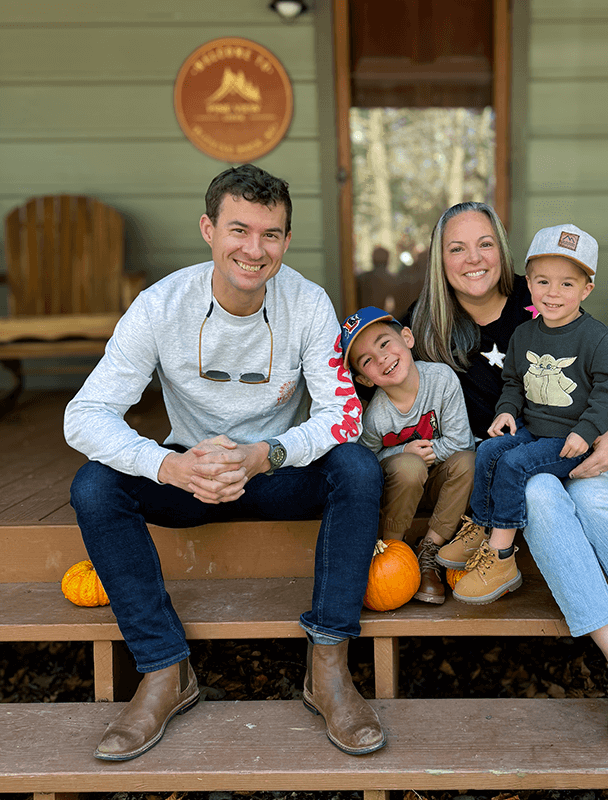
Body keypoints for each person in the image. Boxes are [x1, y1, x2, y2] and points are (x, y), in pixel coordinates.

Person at [64, 164, 385, 760]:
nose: (254, 249)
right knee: (94, 486)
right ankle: (164, 671)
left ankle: (329, 667)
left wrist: (269, 454)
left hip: (275, 472)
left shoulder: (309, 303)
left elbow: (344, 416)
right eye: (239, 230)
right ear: (209, 229)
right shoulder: (159, 306)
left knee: (358, 469)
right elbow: (84, 416)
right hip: (190, 476)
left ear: (287, 241)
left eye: (270, 235)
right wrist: (168, 466)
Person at [408, 201, 608, 755]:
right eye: (456, 247)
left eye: (484, 243)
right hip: (516, 461)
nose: (472, 258)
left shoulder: (539, 304)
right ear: (440, 257)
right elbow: (387, 393)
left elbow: (603, 380)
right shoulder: (426, 323)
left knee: (598, 506)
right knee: (538, 493)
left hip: (579, 444)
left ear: (503, 251)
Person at [455, 224, 608, 605]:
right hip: (533, 429)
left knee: (514, 463)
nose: (553, 293)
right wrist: (505, 412)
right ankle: (482, 526)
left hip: (572, 442)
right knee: (489, 449)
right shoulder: (525, 335)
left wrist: (587, 430)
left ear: (587, 290)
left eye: (567, 284)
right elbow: (514, 382)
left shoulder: (597, 337)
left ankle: (501, 556)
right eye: (543, 282)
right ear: (528, 284)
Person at [340, 306, 475, 604]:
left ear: (407, 337)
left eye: (384, 344)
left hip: (440, 485)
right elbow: (367, 464)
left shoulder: (441, 380)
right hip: (402, 489)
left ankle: (429, 550)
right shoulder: (376, 417)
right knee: (410, 466)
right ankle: (392, 550)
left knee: (467, 462)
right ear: (364, 379)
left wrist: (427, 454)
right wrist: (403, 452)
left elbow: (461, 442)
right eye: (367, 361)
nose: (382, 358)